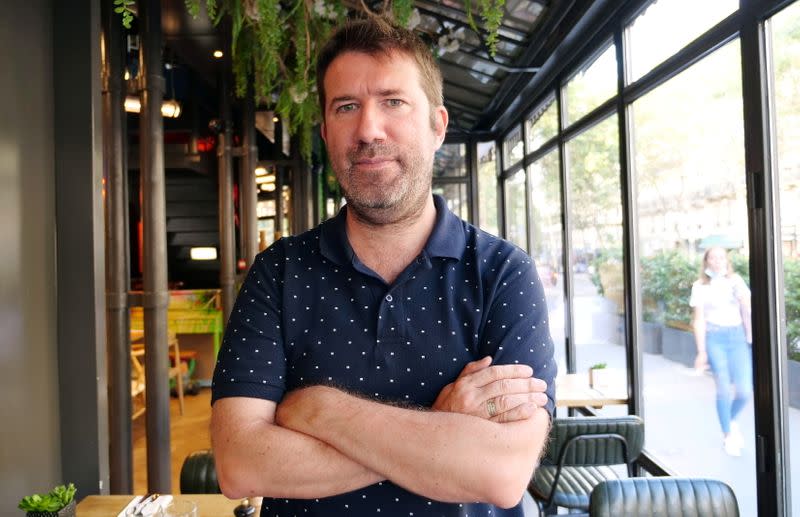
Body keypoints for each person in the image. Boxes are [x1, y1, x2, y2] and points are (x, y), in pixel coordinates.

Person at [210, 17, 556, 516]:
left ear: (437, 126)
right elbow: (240, 463)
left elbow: (499, 473)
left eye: (393, 102)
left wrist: (317, 409)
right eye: (347, 107)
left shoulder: (502, 273)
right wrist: (440, 425)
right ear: (327, 133)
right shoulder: (279, 272)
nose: (368, 129)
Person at [690, 246, 752, 457]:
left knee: (744, 391)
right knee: (723, 388)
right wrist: (701, 351)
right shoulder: (700, 286)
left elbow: (748, 307)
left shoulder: (736, 281)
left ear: (727, 261)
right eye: (713, 258)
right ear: (706, 262)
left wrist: (741, 296)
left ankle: (730, 419)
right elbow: (698, 320)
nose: (717, 261)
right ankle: (728, 436)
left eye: (721, 258)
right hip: (714, 338)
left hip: (737, 338)